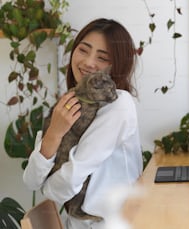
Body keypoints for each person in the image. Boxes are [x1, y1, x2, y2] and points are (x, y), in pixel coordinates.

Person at [23, 18, 143, 229]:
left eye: (102, 57)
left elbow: (66, 183)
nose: (88, 62)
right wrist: (54, 134)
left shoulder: (119, 105)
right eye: (83, 50)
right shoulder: (67, 103)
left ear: (118, 65)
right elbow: (31, 180)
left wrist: (46, 187)